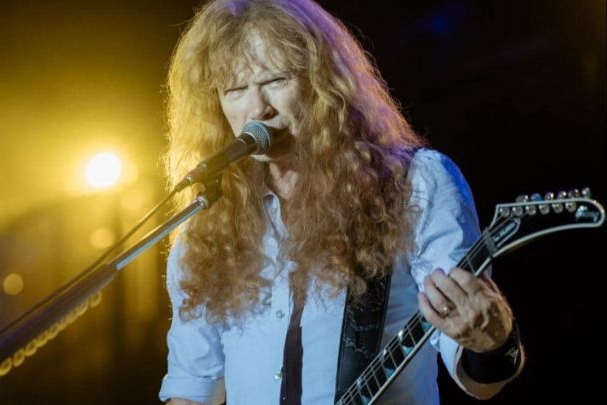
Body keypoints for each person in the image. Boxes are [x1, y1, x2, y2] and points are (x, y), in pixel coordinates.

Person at [159, 0, 524, 404]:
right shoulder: (207, 221)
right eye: (236, 90)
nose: (257, 108)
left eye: (276, 80)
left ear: (322, 83)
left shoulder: (411, 185)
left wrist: (492, 342)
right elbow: (193, 384)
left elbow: (479, 379)